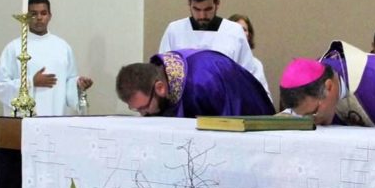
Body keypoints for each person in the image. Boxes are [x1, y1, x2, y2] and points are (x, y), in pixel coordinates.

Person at [0, 0, 94, 188]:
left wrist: (78, 86)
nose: (39, 17)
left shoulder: (62, 47)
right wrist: (29, 82)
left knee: (52, 177)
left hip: (54, 123)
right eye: (34, 13)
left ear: (51, 15)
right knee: (29, 175)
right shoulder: (14, 48)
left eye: (43, 12)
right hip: (28, 124)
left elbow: (69, 81)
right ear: (26, 16)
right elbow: (1, 86)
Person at [159, 0, 270, 96]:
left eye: (208, 9)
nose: (202, 16)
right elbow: (163, 73)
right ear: (189, 3)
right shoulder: (175, 30)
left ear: (217, 4)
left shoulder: (234, 32)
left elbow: (247, 75)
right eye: (196, 9)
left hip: (224, 105)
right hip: (183, 104)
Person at [116, 49, 274, 118]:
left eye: (144, 108)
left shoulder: (203, 82)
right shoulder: (164, 73)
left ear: (160, 88)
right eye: (136, 109)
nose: (143, 114)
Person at [228, 13, 269, 99]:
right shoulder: (220, 62)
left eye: (244, 29)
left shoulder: (256, 65)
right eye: (236, 29)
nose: (240, 33)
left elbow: (265, 97)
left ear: (249, 35)